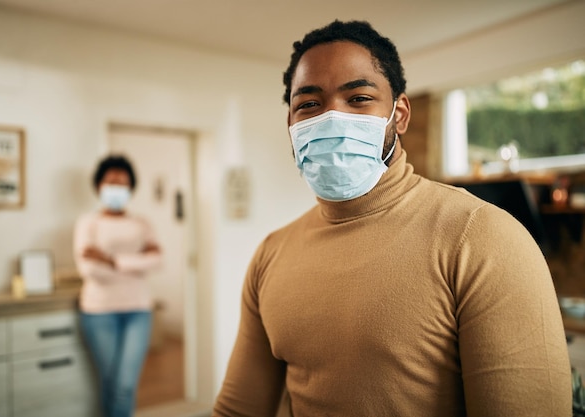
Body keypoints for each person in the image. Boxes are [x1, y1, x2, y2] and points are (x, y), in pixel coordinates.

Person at [213, 20, 572, 416]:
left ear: (398, 115)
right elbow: (238, 409)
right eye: (309, 104)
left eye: (359, 98)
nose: (332, 117)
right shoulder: (271, 255)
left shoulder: (483, 238)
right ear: (291, 125)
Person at [74, 155, 161, 417]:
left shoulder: (141, 224)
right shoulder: (88, 223)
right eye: (111, 182)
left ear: (131, 189)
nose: (116, 188)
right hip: (99, 311)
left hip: (138, 311)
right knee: (111, 383)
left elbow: (157, 260)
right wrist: (136, 262)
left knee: (125, 385)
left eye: (122, 183)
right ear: (99, 186)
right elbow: (89, 270)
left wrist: (109, 259)